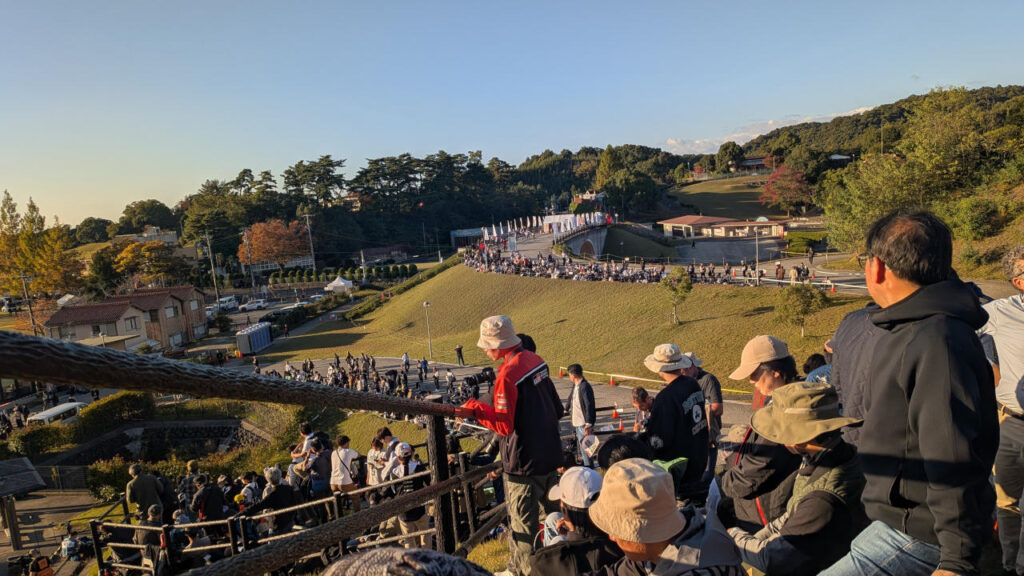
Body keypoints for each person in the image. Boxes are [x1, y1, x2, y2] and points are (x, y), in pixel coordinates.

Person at [822, 210, 998, 576]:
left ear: (876, 268)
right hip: (897, 522)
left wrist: (956, 560)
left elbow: (951, 452)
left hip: (919, 534)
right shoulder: (915, 328)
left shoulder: (935, 340)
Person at [455, 315, 564, 576]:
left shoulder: (506, 375)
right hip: (549, 456)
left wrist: (476, 408)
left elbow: (504, 427)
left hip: (523, 464)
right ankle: (561, 566)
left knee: (524, 530)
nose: (484, 350)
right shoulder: (536, 360)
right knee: (556, 520)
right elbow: (556, 407)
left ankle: (526, 572)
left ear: (496, 345)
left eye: (486, 345)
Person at [725, 382, 868, 576]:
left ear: (800, 438)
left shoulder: (822, 498)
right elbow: (791, 514)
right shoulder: (832, 456)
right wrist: (757, 538)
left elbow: (773, 559)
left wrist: (733, 535)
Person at [587, 458, 743, 576]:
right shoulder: (665, 544)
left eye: (616, 529)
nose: (612, 537)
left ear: (643, 534)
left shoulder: (702, 569)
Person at [720, 335, 802, 533]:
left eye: (755, 373)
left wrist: (724, 482)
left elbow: (759, 465)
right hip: (766, 504)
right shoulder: (784, 398)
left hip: (766, 513)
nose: (751, 380)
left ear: (775, 371)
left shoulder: (784, 410)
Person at [976, 245, 1024, 574]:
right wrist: (987, 367)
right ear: (1018, 281)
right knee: (1006, 501)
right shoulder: (999, 312)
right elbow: (960, 334)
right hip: (1009, 422)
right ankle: (1009, 564)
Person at [639, 344, 708, 502]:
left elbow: (660, 441)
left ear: (659, 369)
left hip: (679, 469)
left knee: (681, 507)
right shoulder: (692, 384)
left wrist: (643, 442)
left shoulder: (665, 398)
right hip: (699, 457)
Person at [529, 466, 622, 575]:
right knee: (553, 518)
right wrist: (570, 533)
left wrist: (565, 538)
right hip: (597, 541)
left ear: (565, 511)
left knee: (556, 537)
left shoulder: (542, 562)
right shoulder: (623, 546)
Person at [682, 351, 723, 482]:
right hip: (691, 436)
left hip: (707, 435)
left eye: (684, 371)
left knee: (706, 476)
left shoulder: (708, 380)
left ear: (692, 367)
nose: (682, 374)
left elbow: (718, 408)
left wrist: (697, 414)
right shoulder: (685, 382)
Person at [386, 442, 431, 549]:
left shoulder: (394, 473)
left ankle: (412, 557)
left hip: (403, 509)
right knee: (425, 533)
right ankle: (428, 554)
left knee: (408, 538)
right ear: (411, 454)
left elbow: (393, 491)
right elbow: (429, 483)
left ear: (398, 457)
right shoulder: (419, 468)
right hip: (419, 506)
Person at [565, 364, 596, 467]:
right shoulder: (576, 385)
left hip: (583, 424)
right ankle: (588, 468)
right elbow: (570, 398)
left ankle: (589, 469)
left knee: (586, 451)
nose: (569, 377)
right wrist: (565, 409)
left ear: (573, 375)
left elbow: (589, 404)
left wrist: (589, 423)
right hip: (578, 423)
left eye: (569, 374)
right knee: (583, 450)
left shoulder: (584, 386)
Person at [330, 435, 363, 511]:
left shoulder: (333, 453)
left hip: (333, 482)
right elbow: (358, 455)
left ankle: (339, 516)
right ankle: (358, 515)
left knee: (338, 501)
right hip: (344, 481)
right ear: (346, 443)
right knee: (355, 497)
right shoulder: (348, 451)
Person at [288, 422, 316, 486]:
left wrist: (293, 455)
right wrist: (297, 447)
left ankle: (308, 479)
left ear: (301, 433)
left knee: (295, 468)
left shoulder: (307, 442)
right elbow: (303, 443)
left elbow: (302, 454)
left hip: (311, 460)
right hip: (318, 455)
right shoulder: (314, 436)